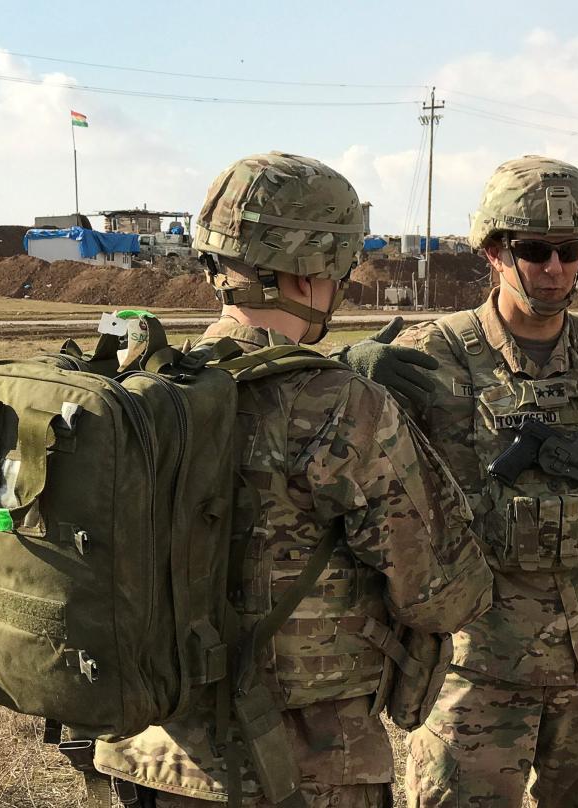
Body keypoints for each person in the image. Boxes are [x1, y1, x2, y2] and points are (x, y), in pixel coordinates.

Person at [93, 151, 494, 807]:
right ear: (314, 272)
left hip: (148, 755)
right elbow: (445, 596)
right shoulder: (344, 405)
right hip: (302, 771)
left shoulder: (143, 388)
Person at [342, 155, 578, 807]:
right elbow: (342, 476)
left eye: (570, 251)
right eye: (535, 250)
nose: (554, 268)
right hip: (471, 669)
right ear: (493, 252)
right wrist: (347, 379)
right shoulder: (434, 357)